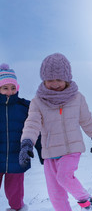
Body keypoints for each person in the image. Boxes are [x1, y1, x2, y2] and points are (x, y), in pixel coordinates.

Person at [19, 53, 92, 211]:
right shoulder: (38, 102)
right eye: (50, 80)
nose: (55, 84)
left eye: (59, 79)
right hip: (50, 153)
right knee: (55, 195)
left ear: (67, 79)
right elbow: (32, 124)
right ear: (44, 80)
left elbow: (86, 120)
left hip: (71, 149)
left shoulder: (77, 98)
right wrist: (27, 142)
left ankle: (85, 198)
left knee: (64, 177)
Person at [0, 63, 42, 211]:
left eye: (13, 88)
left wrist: (42, 153)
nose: (9, 92)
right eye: (5, 88)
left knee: (15, 194)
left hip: (17, 158)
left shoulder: (24, 107)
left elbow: (36, 130)